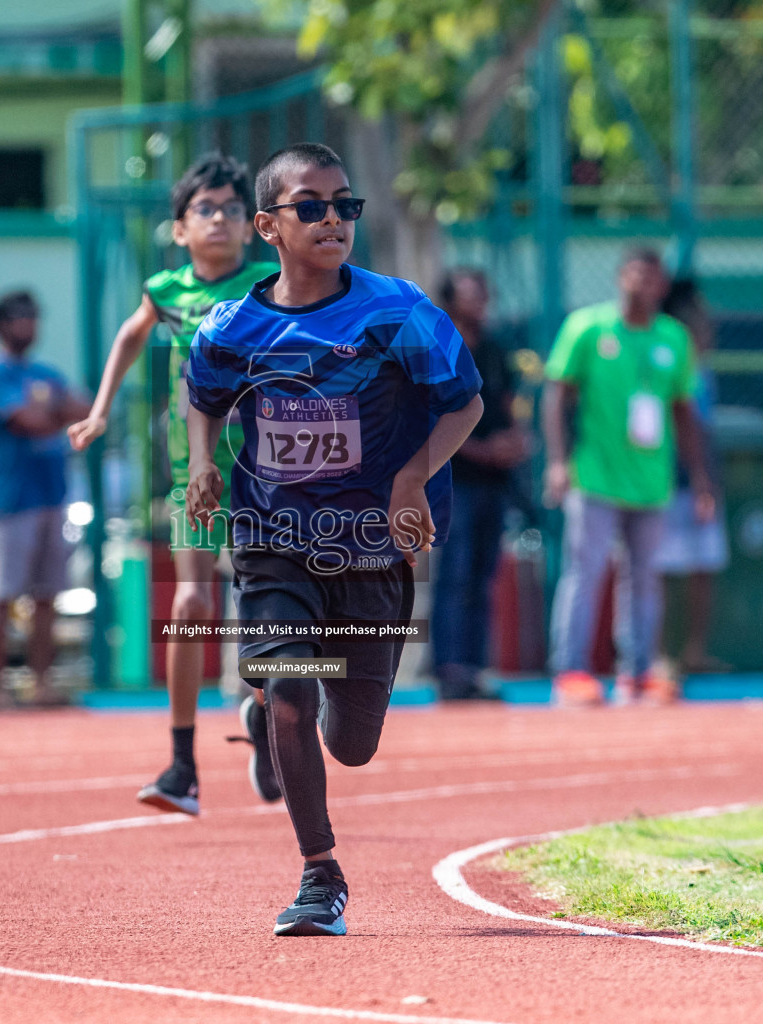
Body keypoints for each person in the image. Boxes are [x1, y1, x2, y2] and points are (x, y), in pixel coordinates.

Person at [186, 142, 483, 936]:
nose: (332, 220)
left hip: (372, 550)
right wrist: (200, 465)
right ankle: (321, 873)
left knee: (352, 743)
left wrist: (412, 477)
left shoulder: (398, 313)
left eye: (344, 205)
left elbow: (466, 405)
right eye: (310, 206)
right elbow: (204, 396)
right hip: (273, 541)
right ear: (267, 227)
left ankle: (268, 725)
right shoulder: (232, 327)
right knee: (289, 684)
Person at [68, 153, 280, 814]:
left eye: (231, 210)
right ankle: (182, 763)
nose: (219, 219)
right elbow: (131, 337)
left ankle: (269, 724)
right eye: (204, 210)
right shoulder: (167, 291)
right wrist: (101, 408)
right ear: (181, 229)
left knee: (270, 614)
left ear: (251, 226)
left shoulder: (270, 281)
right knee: (191, 607)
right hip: (195, 476)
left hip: (271, 475)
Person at [542, 247, 713, 708]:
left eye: (652, 276)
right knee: (585, 572)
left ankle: (637, 673)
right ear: (620, 277)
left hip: (651, 481)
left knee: (644, 579)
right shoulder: (587, 328)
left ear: (661, 285)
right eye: (635, 273)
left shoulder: (674, 338)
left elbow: (684, 412)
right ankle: (570, 670)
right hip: (594, 477)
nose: (642, 283)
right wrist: (558, 463)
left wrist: (699, 480)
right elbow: (557, 397)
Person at [0, 289, 88, 709]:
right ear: (2, 324)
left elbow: (86, 408)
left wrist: (55, 411)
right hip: (9, 499)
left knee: (47, 595)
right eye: (22, 318)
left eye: (34, 317)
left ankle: (40, 684)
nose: (30, 326)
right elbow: (30, 422)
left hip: (50, 495)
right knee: (1, 595)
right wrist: (59, 412)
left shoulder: (45, 372)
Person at [430, 268, 529, 700]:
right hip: (452, 481)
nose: (480, 300)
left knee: (482, 575)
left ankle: (473, 668)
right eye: (470, 293)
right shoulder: (437, 350)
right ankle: (449, 668)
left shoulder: (493, 349)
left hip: (493, 482)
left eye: (483, 291)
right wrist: (482, 451)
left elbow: (507, 405)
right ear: (450, 300)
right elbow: (429, 421)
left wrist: (517, 440)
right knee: (454, 575)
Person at [652, 278, 730, 674]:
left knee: (705, 564)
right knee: (663, 568)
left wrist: (705, 479)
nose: (707, 327)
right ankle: (660, 655)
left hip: (700, 477)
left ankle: (694, 652)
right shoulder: (664, 360)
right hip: (667, 478)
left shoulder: (704, 370)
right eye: (699, 321)